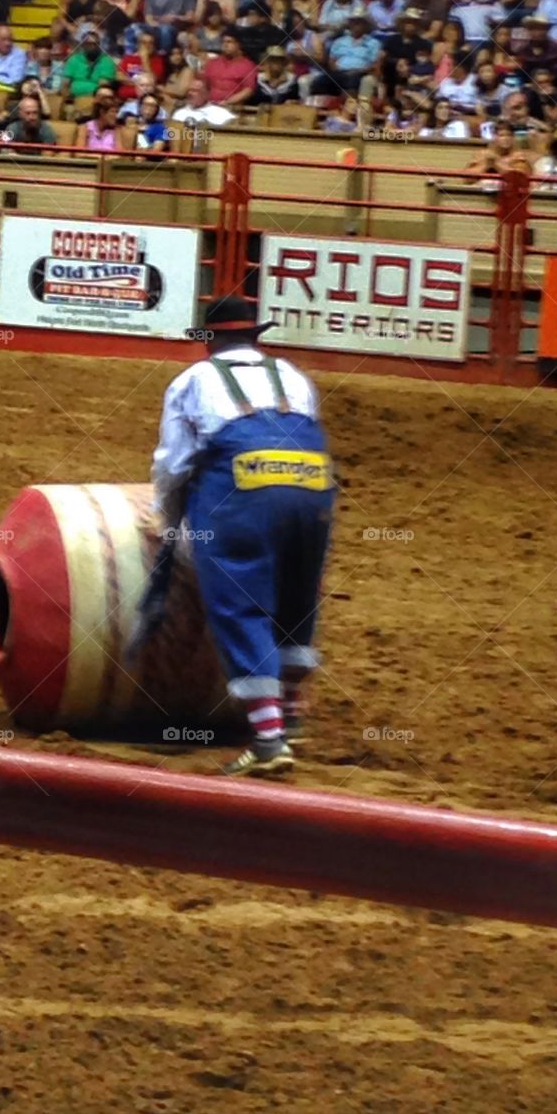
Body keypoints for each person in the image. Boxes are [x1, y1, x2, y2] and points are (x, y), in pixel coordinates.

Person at [150, 295, 335, 778]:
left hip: (242, 489)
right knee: (297, 591)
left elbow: (173, 465)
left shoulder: (191, 381)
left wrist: (169, 521)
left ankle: (269, 741)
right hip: (312, 487)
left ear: (208, 342)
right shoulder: (293, 377)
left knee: (239, 599)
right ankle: (290, 715)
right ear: (255, 338)